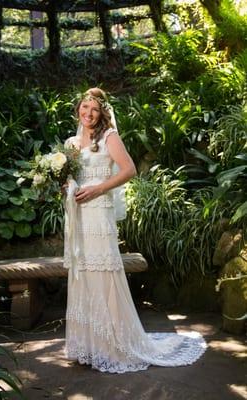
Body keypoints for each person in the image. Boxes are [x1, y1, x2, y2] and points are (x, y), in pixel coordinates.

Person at [63, 87, 206, 373]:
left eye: (94, 109)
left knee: (104, 275)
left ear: (102, 112)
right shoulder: (71, 142)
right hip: (79, 217)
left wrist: (98, 189)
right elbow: (67, 176)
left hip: (99, 214)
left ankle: (114, 345)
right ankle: (90, 346)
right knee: (85, 276)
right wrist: (67, 187)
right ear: (78, 108)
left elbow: (129, 170)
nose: (88, 113)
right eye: (84, 107)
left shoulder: (109, 137)